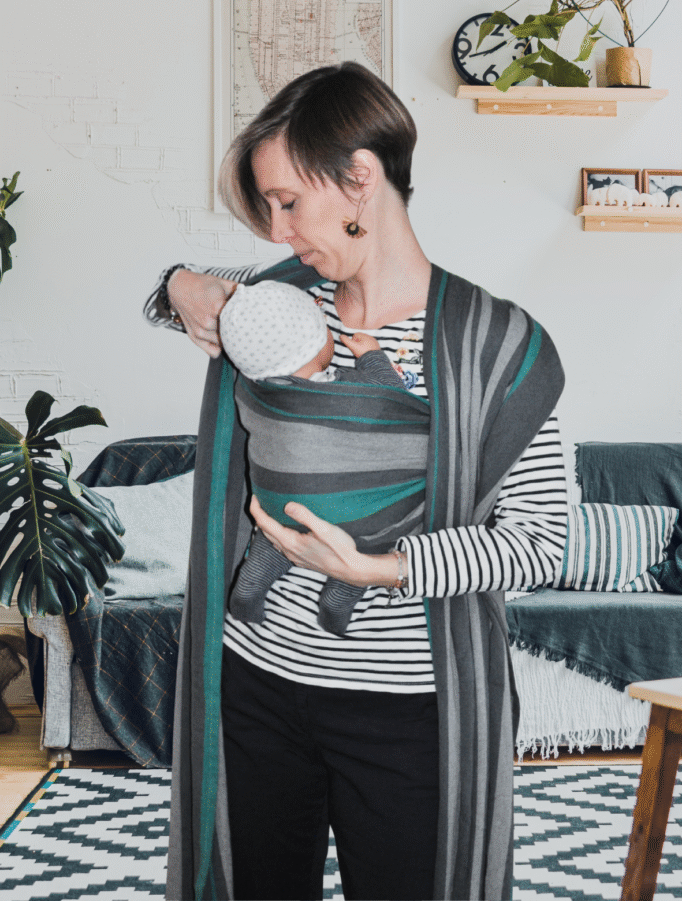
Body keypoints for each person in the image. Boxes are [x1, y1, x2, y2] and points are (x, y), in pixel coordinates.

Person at [146, 61, 568, 901]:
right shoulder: (277, 308)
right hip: (256, 684)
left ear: (359, 179)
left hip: (407, 707)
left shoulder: (497, 348)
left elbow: (541, 542)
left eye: (287, 202)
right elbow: (179, 299)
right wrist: (178, 285)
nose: (276, 231)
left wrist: (381, 568)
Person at [219, 279, 426, 634]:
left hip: (279, 507)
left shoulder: (252, 389)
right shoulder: (350, 389)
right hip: (353, 517)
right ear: (317, 346)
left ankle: (247, 593)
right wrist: (372, 357)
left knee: (270, 546)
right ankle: (337, 602)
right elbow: (394, 400)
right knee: (370, 541)